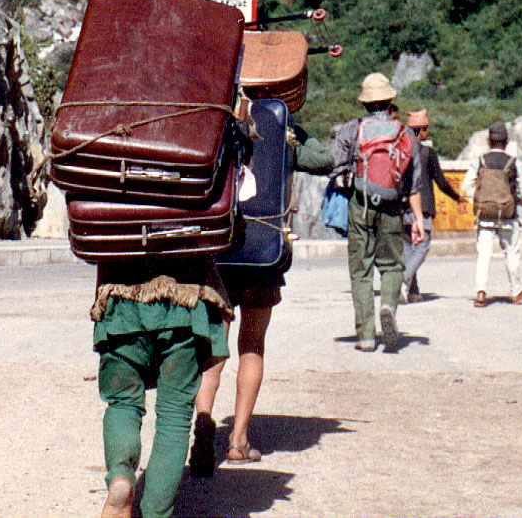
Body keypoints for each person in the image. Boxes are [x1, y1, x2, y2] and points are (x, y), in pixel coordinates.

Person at [191, 126, 332, 471]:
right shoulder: (282, 129)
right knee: (252, 345)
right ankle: (238, 440)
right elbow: (325, 160)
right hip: (262, 251)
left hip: (220, 250)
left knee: (213, 347)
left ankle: (204, 424)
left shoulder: (220, 122)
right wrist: (300, 131)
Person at [91, 256, 231, 518]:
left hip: (123, 302)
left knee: (123, 403)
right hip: (184, 305)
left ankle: (121, 475)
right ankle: (156, 512)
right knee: (175, 415)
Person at [331, 73, 424, 351]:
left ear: (365, 103)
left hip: (361, 204)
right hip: (393, 205)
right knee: (393, 265)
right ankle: (388, 307)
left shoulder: (352, 129)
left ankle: (366, 336)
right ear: (390, 100)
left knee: (361, 271)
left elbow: (332, 164)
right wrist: (418, 219)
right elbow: (414, 182)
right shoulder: (405, 133)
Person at [401, 109, 468, 303]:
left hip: (403, 207)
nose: (428, 132)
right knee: (422, 247)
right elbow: (440, 181)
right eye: (426, 129)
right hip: (422, 207)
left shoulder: (402, 152)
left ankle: (413, 292)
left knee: (408, 250)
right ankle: (403, 280)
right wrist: (456, 197)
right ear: (420, 130)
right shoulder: (427, 153)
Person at [470, 121, 522, 308]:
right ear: (507, 141)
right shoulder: (513, 162)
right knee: (511, 253)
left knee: (484, 254)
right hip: (508, 215)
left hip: (485, 214)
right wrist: (518, 200)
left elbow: (466, 186)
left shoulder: (480, 161)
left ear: (488, 141)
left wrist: (478, 200)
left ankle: (481, 292)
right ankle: (516, 291)